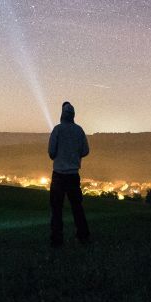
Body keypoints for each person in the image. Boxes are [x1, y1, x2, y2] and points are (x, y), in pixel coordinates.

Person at [48, 100, 90, 247]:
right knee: (77, 207)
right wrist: (74, 155)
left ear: (62, 115)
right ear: (73, 115)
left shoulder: (57, 130)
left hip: (59, 175)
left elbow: (51, 153)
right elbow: (85, 151)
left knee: (57, 208)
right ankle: (83, 235)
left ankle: (57, 239)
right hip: (73, 175)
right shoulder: (79, 130)